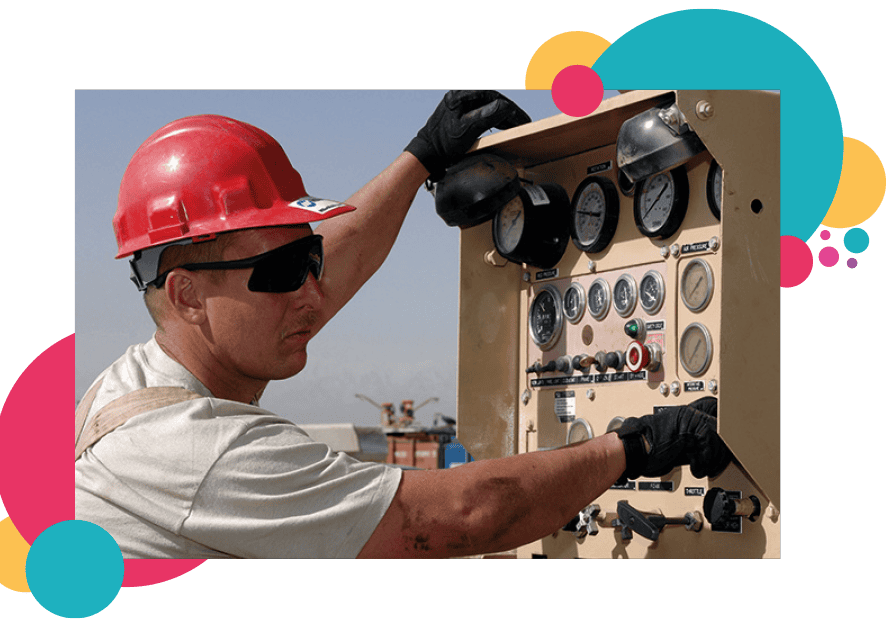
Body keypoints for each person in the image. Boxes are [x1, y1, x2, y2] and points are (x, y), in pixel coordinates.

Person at [75, 91, 731, 559]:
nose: (312, 289)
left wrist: (420, 156)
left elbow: (304, 274)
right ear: (187, 297)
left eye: (309, 258)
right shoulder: (202, 455)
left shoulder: (126, 389)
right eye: (283, 272)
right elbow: (461, 518)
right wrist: (637, 446)